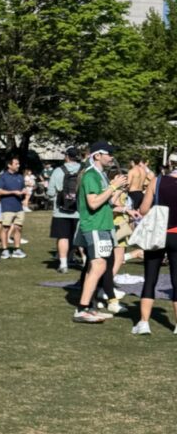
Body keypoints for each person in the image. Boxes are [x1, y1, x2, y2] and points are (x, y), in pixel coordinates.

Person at [73, 142, 127, 324]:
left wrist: (118, 191)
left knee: (96, 266)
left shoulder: (100, 175)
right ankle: (82, 308)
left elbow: (107, 203)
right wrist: (113, 187)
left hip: (103, 225)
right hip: (94, 226)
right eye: (108, 153)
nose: (111, 157)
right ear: (97, 156)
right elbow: (93, 203)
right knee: (98, 266)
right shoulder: (90, 175)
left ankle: (88, 306)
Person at [131, 174, 177, 335]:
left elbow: (144, 209)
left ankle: (144, 322)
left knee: (150, 277)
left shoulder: (157, 181)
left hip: (158, 232)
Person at [47, 147, 82, 273]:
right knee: (79, 237)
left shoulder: (58, 171)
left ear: (66, 156)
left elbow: (50, 192)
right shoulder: (83, 170)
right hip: (79, 210)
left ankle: (63, 264)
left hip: (61, 210)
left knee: (63, 237)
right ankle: (85, 261)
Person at [0, 156, 26, 258]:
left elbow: (23, 188)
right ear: (9, 165)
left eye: (18, 164)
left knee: (18, 228)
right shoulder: (2, 177)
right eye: (16, 164)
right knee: (5, 228)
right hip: (7, 207)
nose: (18, 165)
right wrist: (13, 192)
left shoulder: (20, 176)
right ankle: (4, 250)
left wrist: (24, 192)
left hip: (19, 207)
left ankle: (17, 249)